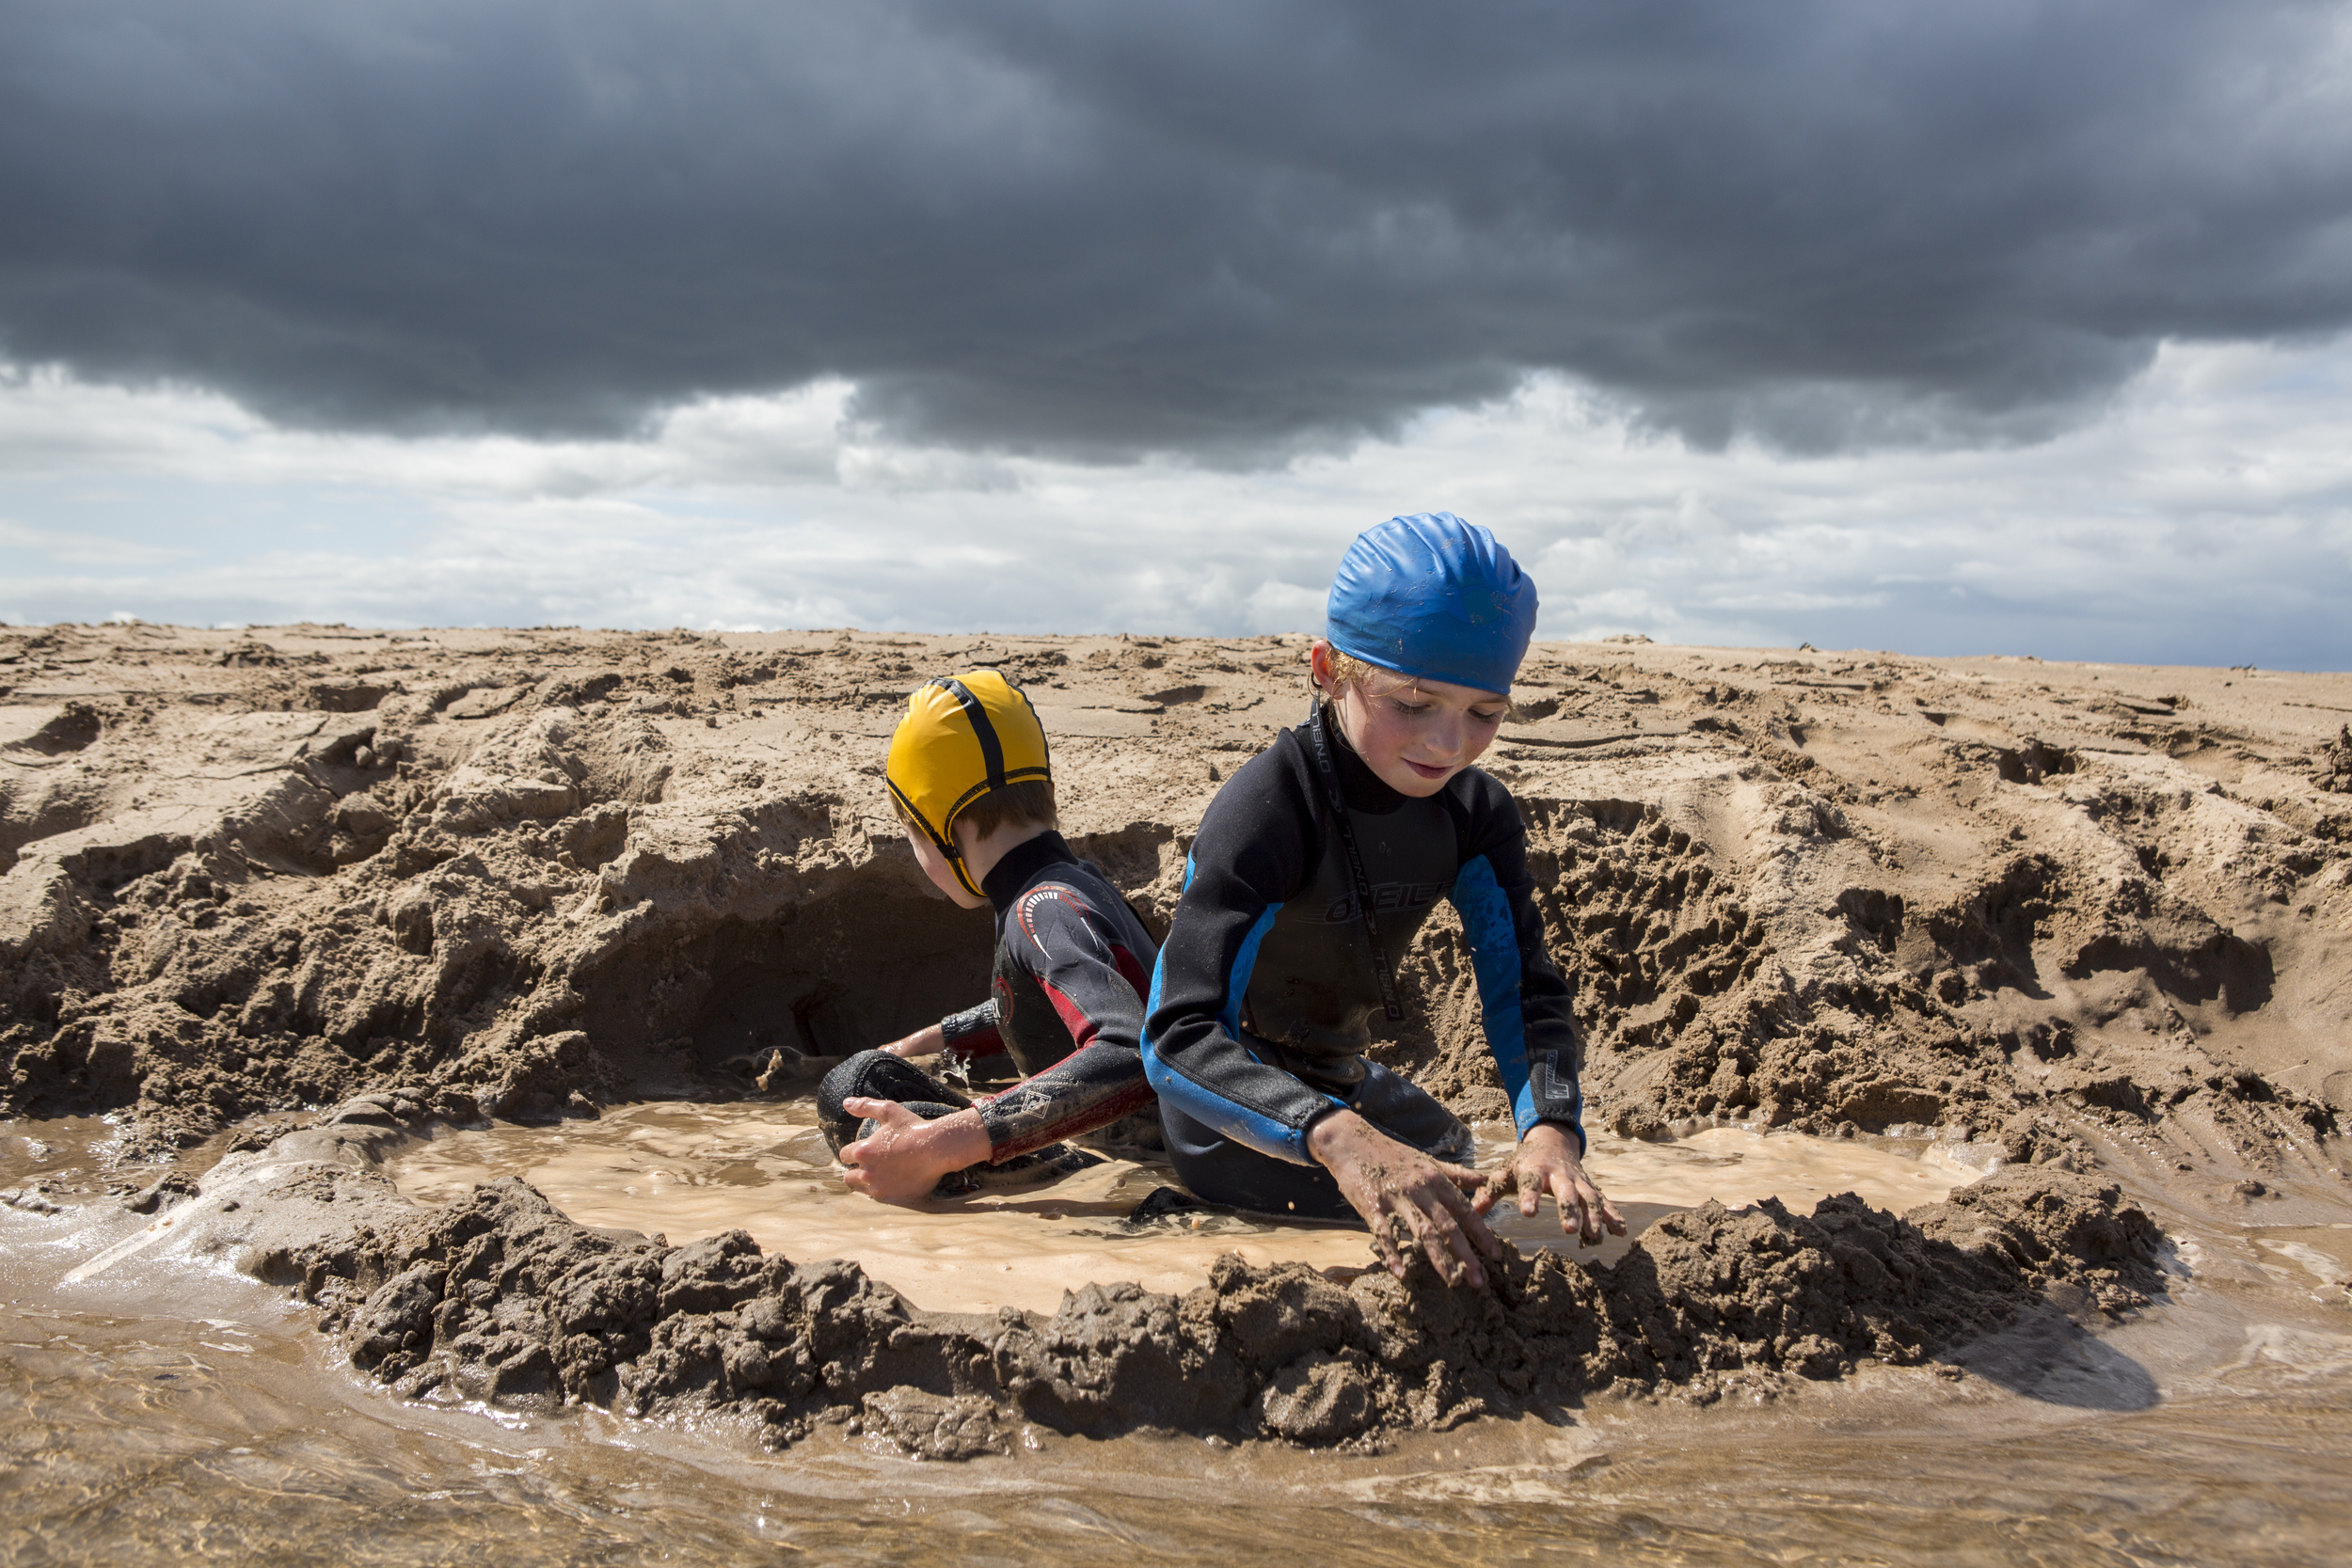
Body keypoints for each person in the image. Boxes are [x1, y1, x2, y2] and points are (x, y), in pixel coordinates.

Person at [1143, 513, 1625, 1287]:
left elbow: (1527, 992)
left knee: (1463, 1166)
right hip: (1229, 1118)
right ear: (1328, 668)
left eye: (1484, 713)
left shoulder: (1475, 815)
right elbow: (1176, 1036)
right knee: (1435, 1240)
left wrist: (1551, 1130)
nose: (1447, 743)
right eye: (1413, 701)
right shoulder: (1270, 806)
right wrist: (1338, 1137)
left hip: (1341, 1083)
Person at [818, 670, 1160, 1200]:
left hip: (1131, 1169)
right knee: (881, 1074)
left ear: (939, 825)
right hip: (1131, 1144)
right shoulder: (1071, 885)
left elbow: (1128, 1053)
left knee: (852, 1091)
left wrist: (941, 1144)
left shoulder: (1040, 910)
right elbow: (1035, 1004)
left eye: (912, 832)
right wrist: (923, 1043)